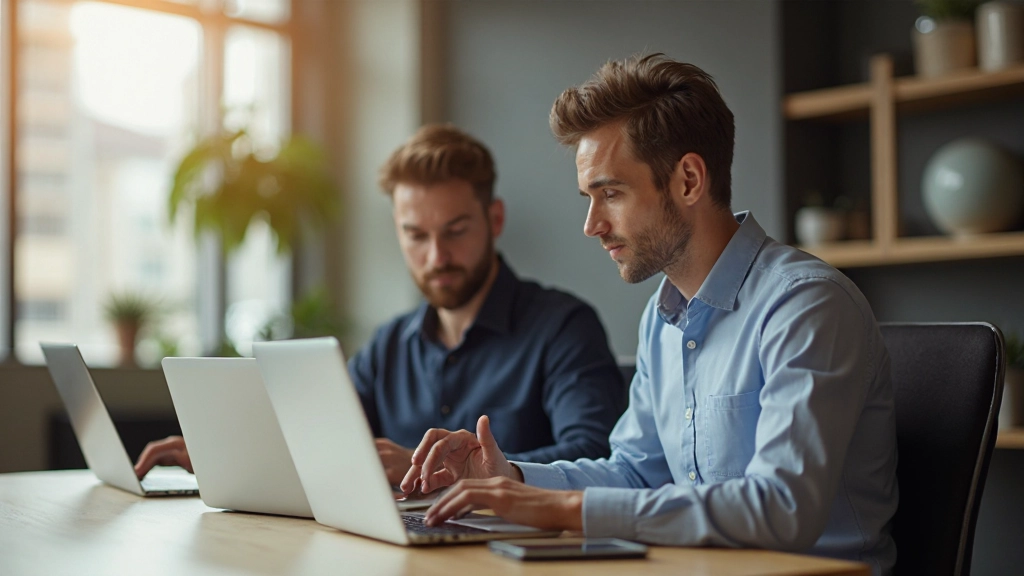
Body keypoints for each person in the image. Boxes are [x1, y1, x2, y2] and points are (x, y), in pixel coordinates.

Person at [401, 55, 899, 575]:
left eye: (610, 193)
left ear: (688, 180)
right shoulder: (661, 319)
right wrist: (509, 480)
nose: (592, 225)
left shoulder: (805, 305)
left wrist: (568, 510)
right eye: (588, 199)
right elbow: (637, 474)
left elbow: (782, 507)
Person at [135, 125, 627, 487]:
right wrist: (234, 455)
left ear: (493, 219)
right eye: (416, 235)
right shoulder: (389, 345)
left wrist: (442, 468)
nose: (437, 257)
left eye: (455, 231)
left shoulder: (564, 328)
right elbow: (326, 441)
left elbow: (595, 456)